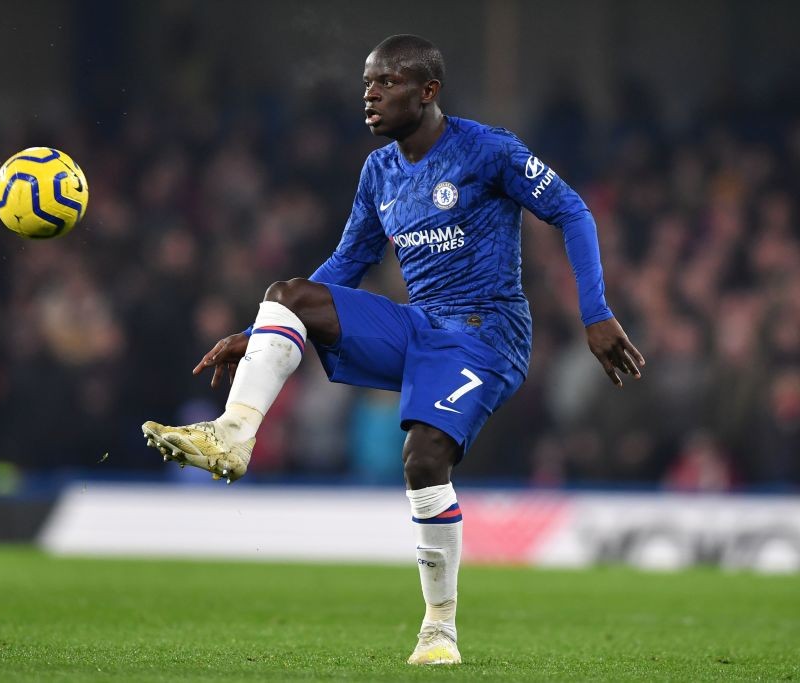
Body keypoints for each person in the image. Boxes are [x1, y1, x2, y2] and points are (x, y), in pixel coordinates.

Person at [143, 34, 644, 666]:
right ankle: (233, 434)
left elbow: (572, 210)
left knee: (424, 458)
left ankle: (440, 628)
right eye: (365, 85)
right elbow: (349, 262)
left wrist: (595, 312)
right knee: (289, 292)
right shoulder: (379, 170)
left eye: (386, 83)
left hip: (486, 334)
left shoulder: (487, 149)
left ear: (429, 92)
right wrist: (262, 329)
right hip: (419, 325)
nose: (370, 96)